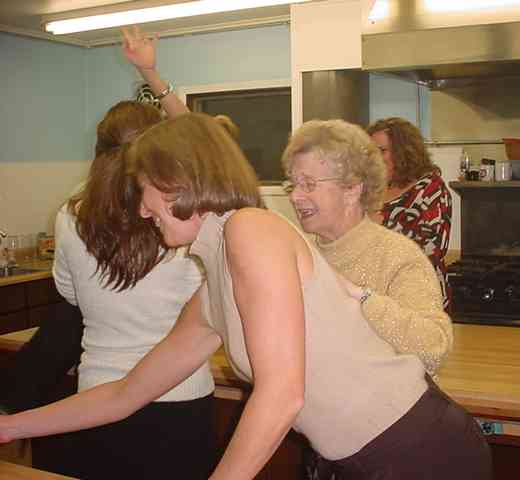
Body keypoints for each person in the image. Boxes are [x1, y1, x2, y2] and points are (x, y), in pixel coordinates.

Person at [0, 113, 491, 480]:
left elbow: (282, 395)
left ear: (179, 184)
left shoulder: (250, 230)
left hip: (418, 450)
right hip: (357, 460)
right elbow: (126, 394)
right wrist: (10, 426)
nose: (143, 209)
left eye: (144, 188)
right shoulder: (214, 279)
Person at [2, 28, 221, 479]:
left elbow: (71, 295)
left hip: (94, 403)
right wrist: (152, 74)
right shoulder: (186, 217)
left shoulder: (71, 215)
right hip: (180, 402)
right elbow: (214, 153)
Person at [282, 118, 490, 479]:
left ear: (352, 189)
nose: (296, 196)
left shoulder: (397, 256)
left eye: (309, 184)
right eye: (294, 183)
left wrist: (360, 296)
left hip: (416, 457)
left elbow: (433, 347)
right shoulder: (301, 257)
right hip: (337, 452)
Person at [366, 117, 453, 309]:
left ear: (404, 152)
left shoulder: (430, 189)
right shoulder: (372, 189)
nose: (374, 159)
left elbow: (431, 249)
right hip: (377, 297)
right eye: (370, 152)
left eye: (382, 151)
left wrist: (378, 227)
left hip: (419, 297)